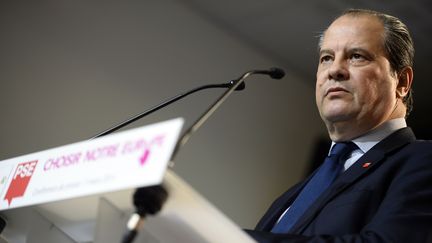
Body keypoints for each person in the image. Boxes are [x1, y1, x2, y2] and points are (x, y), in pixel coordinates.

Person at [246, 9, 432, 242]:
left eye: (357, 56)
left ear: (402, 82)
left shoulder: (423, 161)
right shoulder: (303, 188)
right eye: (327, 58)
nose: (334, 70)